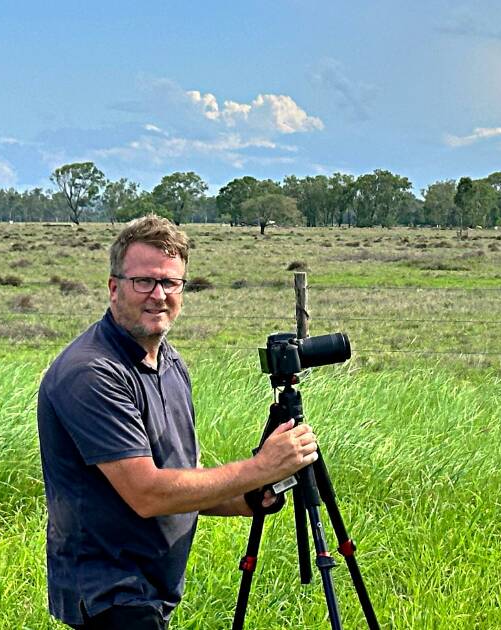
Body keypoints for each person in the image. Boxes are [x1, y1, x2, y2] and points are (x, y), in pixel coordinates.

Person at [37, 215, 318, 629]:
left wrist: (245, 498)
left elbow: (181, 480)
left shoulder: (169, 363)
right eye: (144, 282)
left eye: (171, 283)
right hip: (108, 593)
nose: (159, 295)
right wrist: (259, 468)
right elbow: (148, 493)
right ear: (114, 288)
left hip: (151, 590)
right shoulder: (92, 372)